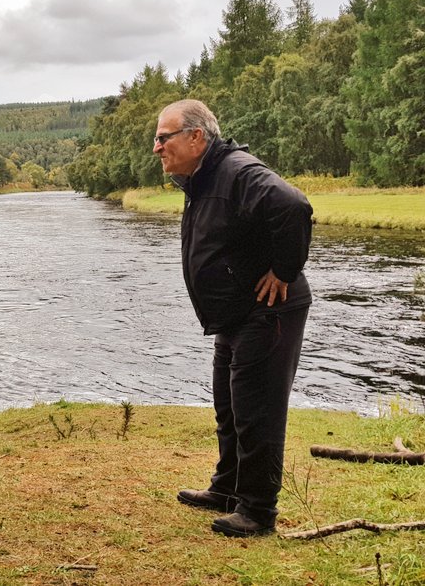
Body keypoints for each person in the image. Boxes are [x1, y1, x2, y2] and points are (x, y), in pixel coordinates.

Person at [154, 99, 312, 537]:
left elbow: (293, 206)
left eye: (163, 138)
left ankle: (258, 511)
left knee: (256, 410)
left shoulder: (238, 171)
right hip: (237, 315)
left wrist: (284, 271)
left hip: (268, 312)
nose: (157, 147)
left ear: (196, 137)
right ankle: (227, 489)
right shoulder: (202, 178)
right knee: (229, 405)